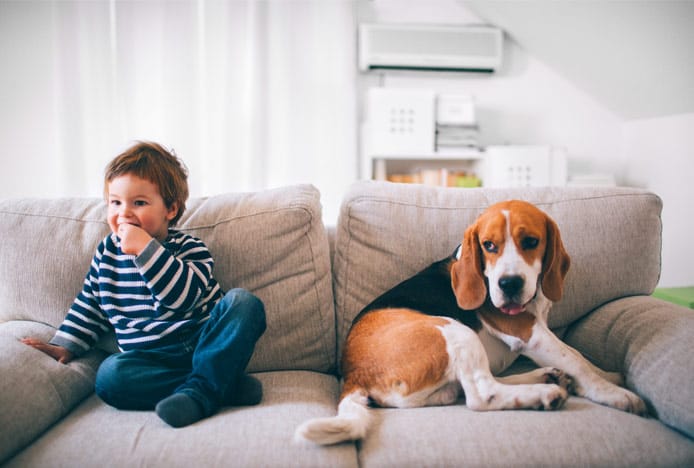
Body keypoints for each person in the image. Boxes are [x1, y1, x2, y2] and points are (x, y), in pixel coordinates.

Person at [22, 141, 266, 428]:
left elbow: (181, 299)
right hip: (150, 361)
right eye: (115, 202)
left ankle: (201, 393)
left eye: (139, 203)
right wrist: (66, 345)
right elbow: (90, 304)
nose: (124, 213)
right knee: (110, 376)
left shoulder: (191, 249)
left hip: (204, 340)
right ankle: (218, 385)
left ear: (170, 209)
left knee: (244, 303)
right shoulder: (106, 254)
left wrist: (145, 249)